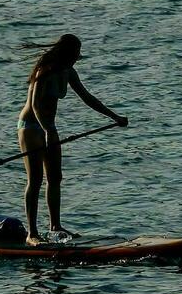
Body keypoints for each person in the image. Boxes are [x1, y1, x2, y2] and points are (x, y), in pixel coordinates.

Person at [17, 34, 128, 245]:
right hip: (31, 127)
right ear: (67, 53)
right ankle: (32, 234)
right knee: (36, 179)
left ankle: (55, 227)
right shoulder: (45, 71)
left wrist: (114, 116)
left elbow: (88, 98)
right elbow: (34, 105)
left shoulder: (69, 72)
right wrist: (47, 130)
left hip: (50, 129)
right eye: (76, 53)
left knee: (55, 177)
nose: (78, 57)